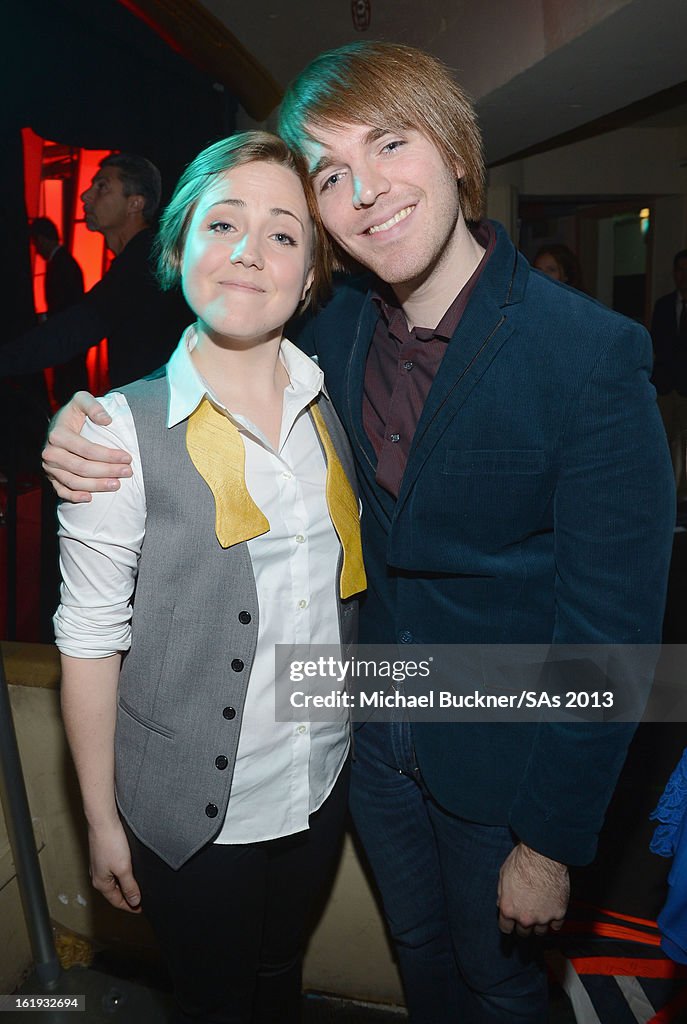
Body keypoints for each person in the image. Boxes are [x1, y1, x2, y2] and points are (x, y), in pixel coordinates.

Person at [43, 43, 674, 1024]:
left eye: (390, 143)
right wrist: (75, 420)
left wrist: (551, 842)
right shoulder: (328, 328)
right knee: (421, 961)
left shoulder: (591, 356)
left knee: (503, 986)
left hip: (503, 768)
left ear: (456, 152)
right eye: (331, 173)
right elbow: (212, 343)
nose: (366, 188)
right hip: (365, 753)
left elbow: (617, 630)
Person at [53, 131, 365, 1024]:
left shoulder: (329, 396)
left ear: (309, 273)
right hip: (192, 812)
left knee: (278, 980)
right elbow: (88, 637)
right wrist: (102, 820)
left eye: (281, 233)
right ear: (179, 246)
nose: (246, 252)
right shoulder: (115, 430)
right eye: (222, 223)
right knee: (215, 1002)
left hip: (317, 782)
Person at [1, 154, 189, 390]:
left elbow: (78, 327)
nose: (85, 195)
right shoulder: (145, 256)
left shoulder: (144, 262)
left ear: (135, 204)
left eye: (102, 187)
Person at [29, 216, 88, 404]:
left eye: (36, 243)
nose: (37, 250)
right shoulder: (64, 262)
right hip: (70, 339)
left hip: (68, 340)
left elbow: (66, 305)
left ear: (42, 239)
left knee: (69, 389)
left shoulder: (62, 265)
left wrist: (45, 318)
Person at [651, 249, 687, 501]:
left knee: (684, 443)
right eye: (680, 270)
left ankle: (682, 494)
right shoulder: (663, 305)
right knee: (663, 440)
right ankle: (662, 492)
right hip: (665, 385)